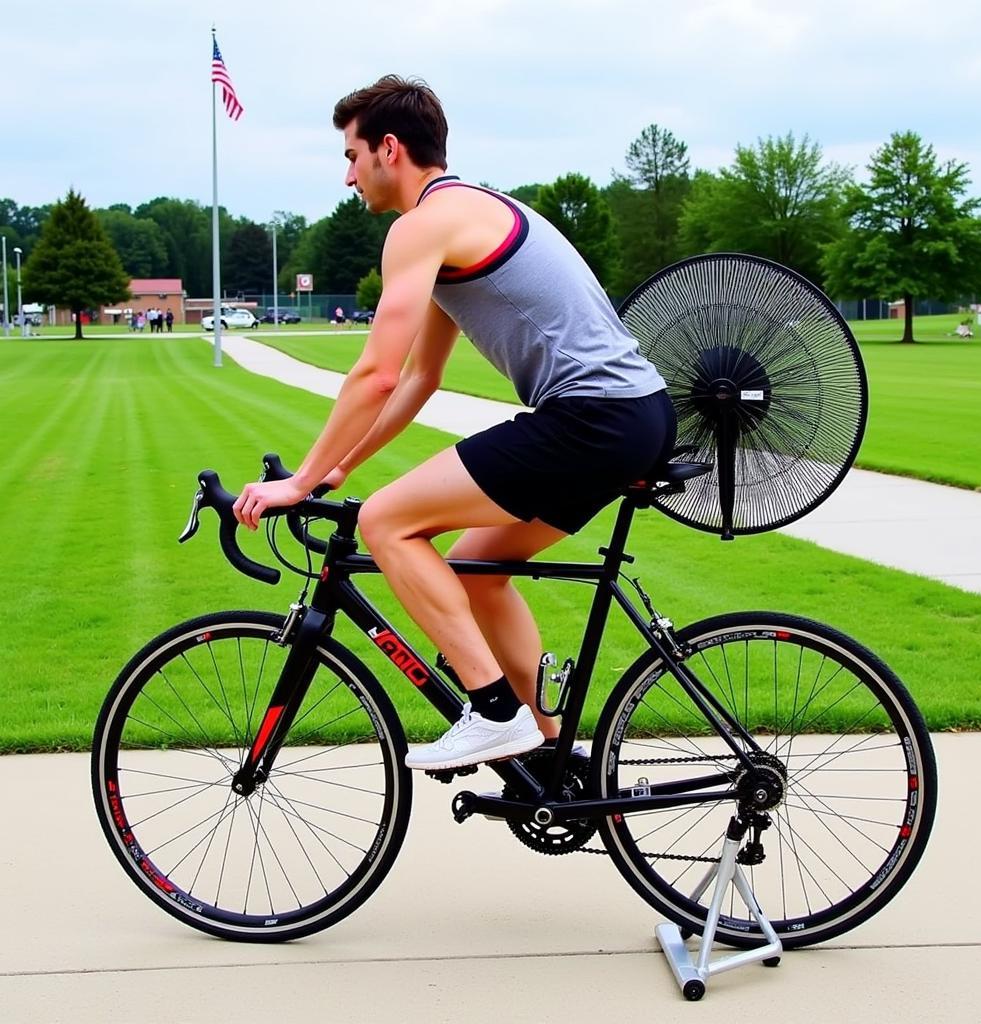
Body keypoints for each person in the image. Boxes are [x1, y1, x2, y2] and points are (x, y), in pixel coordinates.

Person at [232, 75, 674, 771]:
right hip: (634, 416)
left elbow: (374, 373)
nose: (348, 176)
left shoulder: (422, 227)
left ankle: (495, 712)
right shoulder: (465, 212)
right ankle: (555, 754)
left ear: (388, 148)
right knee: (474, 566)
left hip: (592, 417)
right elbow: (418, 379)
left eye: (351, 156)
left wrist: (303, 482)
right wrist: (342, 464)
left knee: (385, 523)